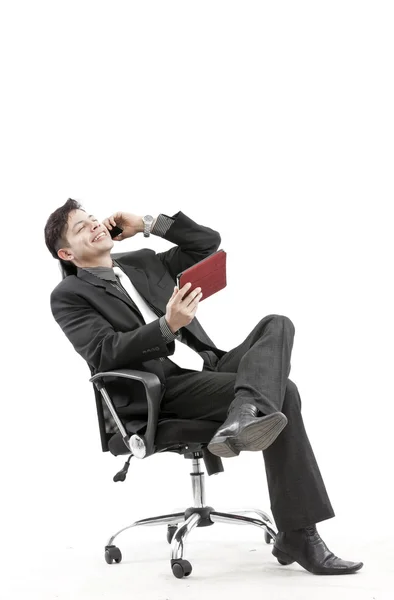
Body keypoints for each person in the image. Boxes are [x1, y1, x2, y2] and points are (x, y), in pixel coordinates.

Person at [45, 198, 363, 576]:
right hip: (160, 391)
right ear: (66, 252)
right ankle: (298, 533)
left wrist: (149, 223)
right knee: (285, 392)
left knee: (276, 324)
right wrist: (167, 326)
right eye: (81, 228)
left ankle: (244, 413)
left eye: (93, 219)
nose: (95, 225)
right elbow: (103, 352)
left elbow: (206, 243)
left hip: (206, 366)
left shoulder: (142, 261)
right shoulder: (69, 296)